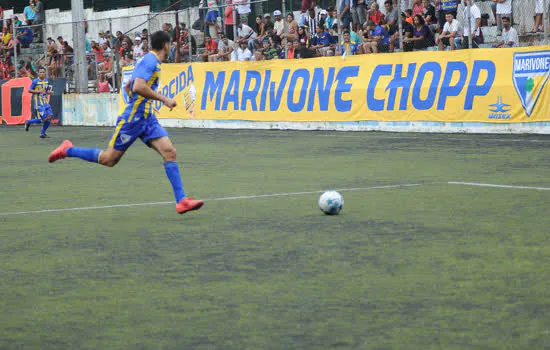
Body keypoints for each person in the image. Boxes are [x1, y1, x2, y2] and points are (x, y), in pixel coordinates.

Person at [47, 31, 204, 215]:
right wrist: (164, 99)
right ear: (166, 45)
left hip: (147, 118)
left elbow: (129, 86)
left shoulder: (149, 61)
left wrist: (138, 99)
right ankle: (68, 150)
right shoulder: (150, 60)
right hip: (133, 120)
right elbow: (137, 86)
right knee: (109, 159)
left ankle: (181, 201)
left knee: (169, 152)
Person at [24, 67, 54, 138]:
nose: (42, 74)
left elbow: (46, 91)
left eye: (43, 72)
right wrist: (38, 91)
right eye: (40, 72)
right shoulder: (35, 81)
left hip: (45, 102)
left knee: (49, 117)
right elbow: (29, 90)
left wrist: (49, 92)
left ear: (45, 73)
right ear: (38, 73)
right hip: (38, 103)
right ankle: (28, 122)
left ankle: (42, 133)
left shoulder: (46, 81)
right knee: (44, 119)